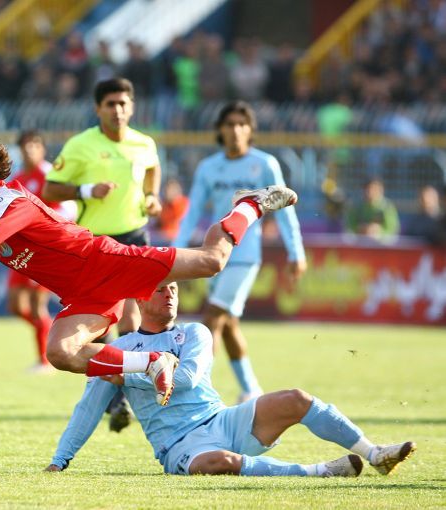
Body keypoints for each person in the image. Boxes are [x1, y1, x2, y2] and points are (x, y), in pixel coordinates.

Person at [0, 135, 299, 406]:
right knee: (60, 353)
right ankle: (153, 362)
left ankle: (248, 205)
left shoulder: (10, 203)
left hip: (108, 262)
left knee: (213, 261)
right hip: (82, 294)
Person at [45, 282, 416, 477]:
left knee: (296, 398)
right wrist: (61, 460)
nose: (170, 295)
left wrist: (133, 373)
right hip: (179, 446)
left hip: (222, 420)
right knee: (219, 462)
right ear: (139, 301)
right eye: (160, 289)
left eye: (174, 289)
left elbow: (187, 379)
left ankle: (375, 453)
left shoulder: (195, 332)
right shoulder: (120, 348)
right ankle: (319, 472)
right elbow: (88, 408)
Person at [41, 77, 163, 430]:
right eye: (111, 104)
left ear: (132, 106)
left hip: (135, 235)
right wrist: (85, 190)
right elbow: (50, 188)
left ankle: (127, 394)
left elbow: (152, 169)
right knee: (100, 321)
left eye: (123, 103)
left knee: (133, 318)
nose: (118, 110)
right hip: (95, 242)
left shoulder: (144, 143)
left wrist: (151, 196)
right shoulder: (81, 145)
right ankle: (117, 393)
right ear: (98, 109)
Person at [172, 101, 307, 403]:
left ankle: (196, 390)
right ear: (220, 130)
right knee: (229, 323)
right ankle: (251, 389)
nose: (235, 130)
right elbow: (193, 212)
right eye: (230, 124)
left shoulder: (265, 163)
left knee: (212, 318)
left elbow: (285, 210)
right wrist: (177, 251)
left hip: (245, 256)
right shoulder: (208, 167)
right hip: (214, 254)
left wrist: (296, 252)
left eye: (241, 124)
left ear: (250, 130)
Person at [6, 130, 70, 373]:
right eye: (25, 145)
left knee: (36, 305)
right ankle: (49, 333)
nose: (29, 149)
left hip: (43, 251)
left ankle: (44, 360)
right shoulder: (18, 179)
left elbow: (66, 210)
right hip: (20, 250)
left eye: (34, 145)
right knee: (15, 305)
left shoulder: (49, 175)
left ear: (42, 149)